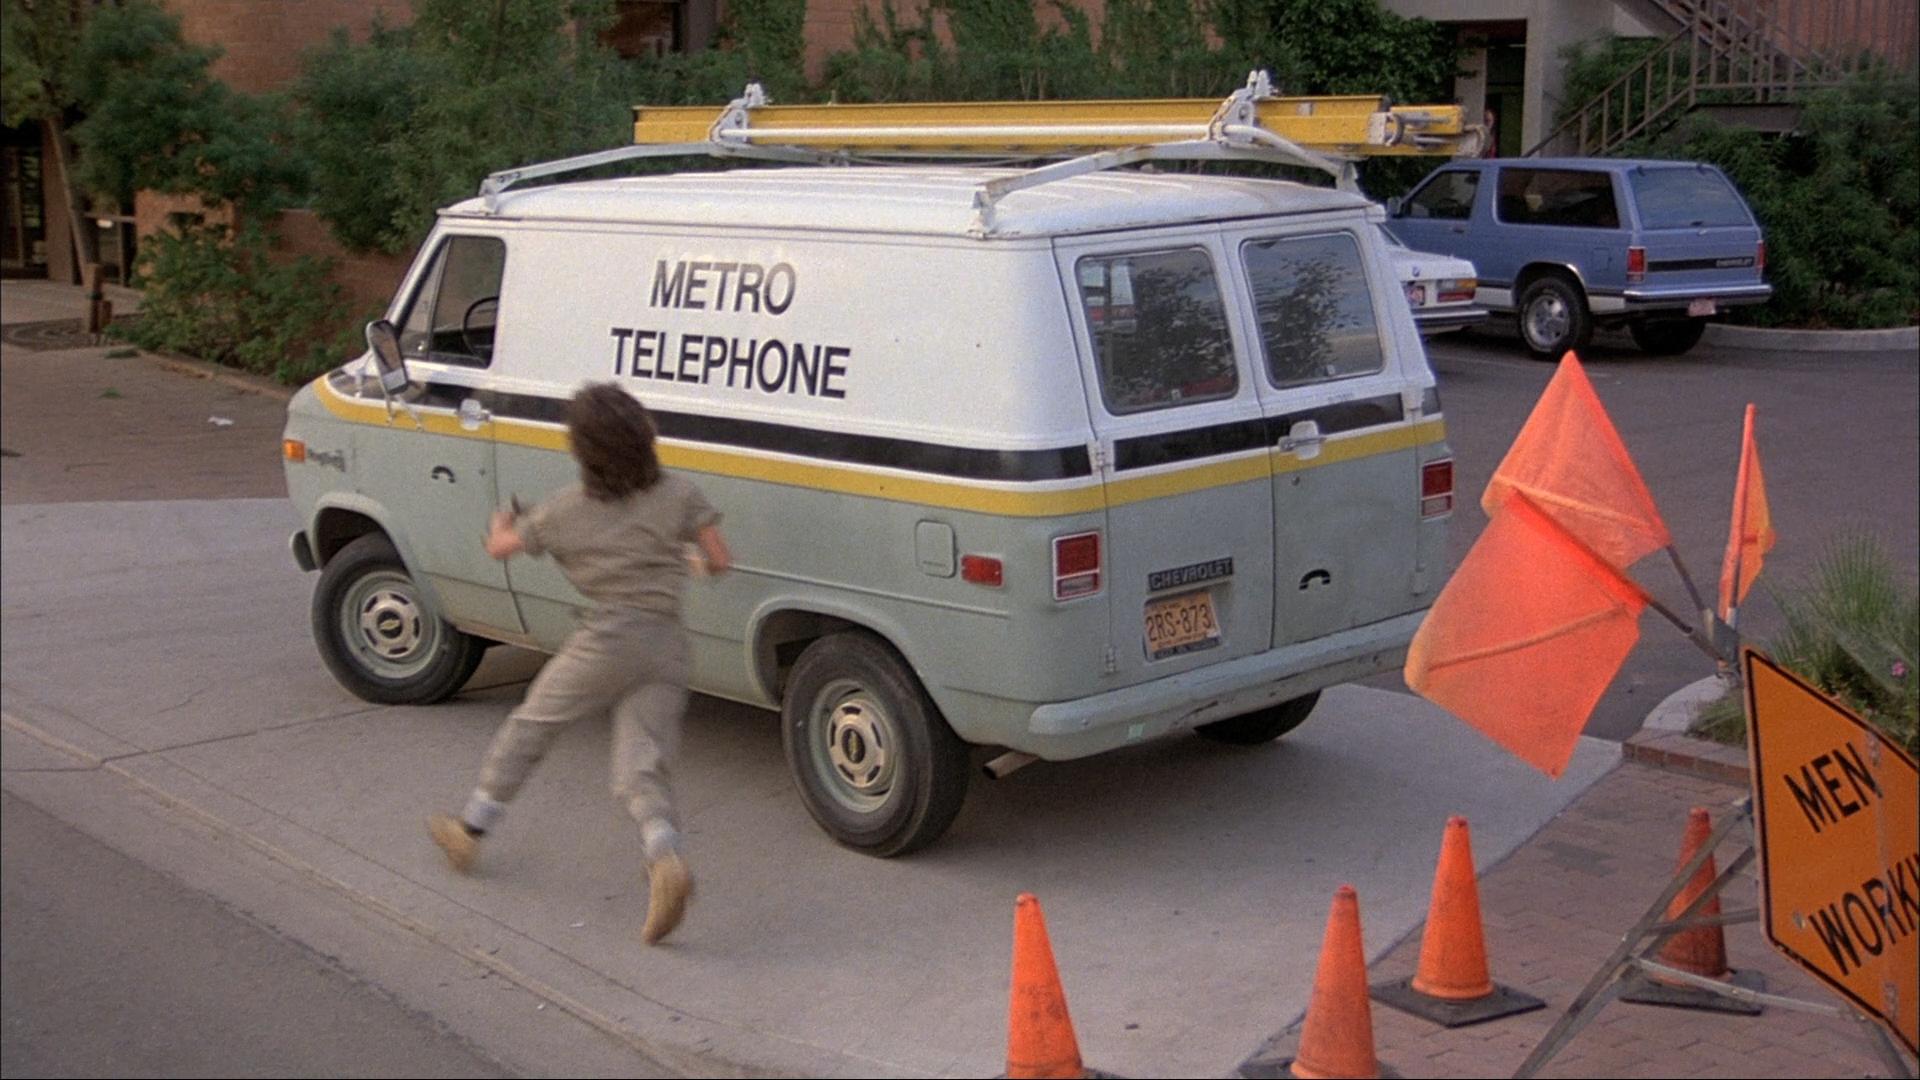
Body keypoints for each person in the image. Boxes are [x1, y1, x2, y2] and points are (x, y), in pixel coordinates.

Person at [428, 382, 731, 946]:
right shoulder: (680, 493)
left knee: (532, 725)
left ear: (584, 451)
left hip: (607, 640)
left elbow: (499, 549)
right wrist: (688, 560)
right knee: (640, 763)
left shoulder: (563, 511)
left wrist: (501, 524)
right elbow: (718, 559)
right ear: (643, 436)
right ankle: (665, 857)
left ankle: (469, 830)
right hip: (666, 644)